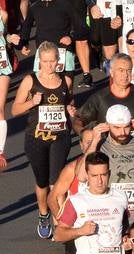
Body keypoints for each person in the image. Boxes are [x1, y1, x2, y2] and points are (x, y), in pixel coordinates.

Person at [11, 41, 74, 239]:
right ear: (39, 61)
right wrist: (32, 102)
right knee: (42, 182)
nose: (48, 65)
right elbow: (14, 109)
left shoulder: (66, 81)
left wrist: (71, 112)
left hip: (60, 137)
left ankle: (60, 222)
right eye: (44, 61)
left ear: (58, 61)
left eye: (52, 61)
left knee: (57, 182)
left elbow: (69, 104)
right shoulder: (31, 81)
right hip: (36, 139)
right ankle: (44, 213)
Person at [84, 104, 134, 226]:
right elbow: (81, 175)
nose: (122, 132)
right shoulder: (100, 147)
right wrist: (95, 140)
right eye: (116, 127)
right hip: (109, 216)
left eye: (126, 127)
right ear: (107, 125)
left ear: (132, 124)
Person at [74, 53, 134, 141]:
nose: (125, 75)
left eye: (129, 70)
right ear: (111, 72)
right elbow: (78, 120)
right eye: (121, 70)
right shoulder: (100, 98)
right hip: (109, 152)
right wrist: (84, 133)